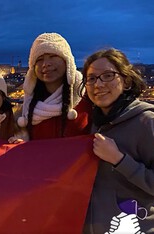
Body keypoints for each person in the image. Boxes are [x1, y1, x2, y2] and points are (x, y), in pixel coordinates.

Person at [81, 48, 154, 233]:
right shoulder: (93, 124)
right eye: (91, 78)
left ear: (126, 81)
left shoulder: (146, 122)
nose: (98, 84)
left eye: (107, 76)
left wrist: (119, 160)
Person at [17, 32, 92, 140]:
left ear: (67, 61)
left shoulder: (88, 98)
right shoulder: (26, 109)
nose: (46, 64)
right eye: (39, 59)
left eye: (53, 56)